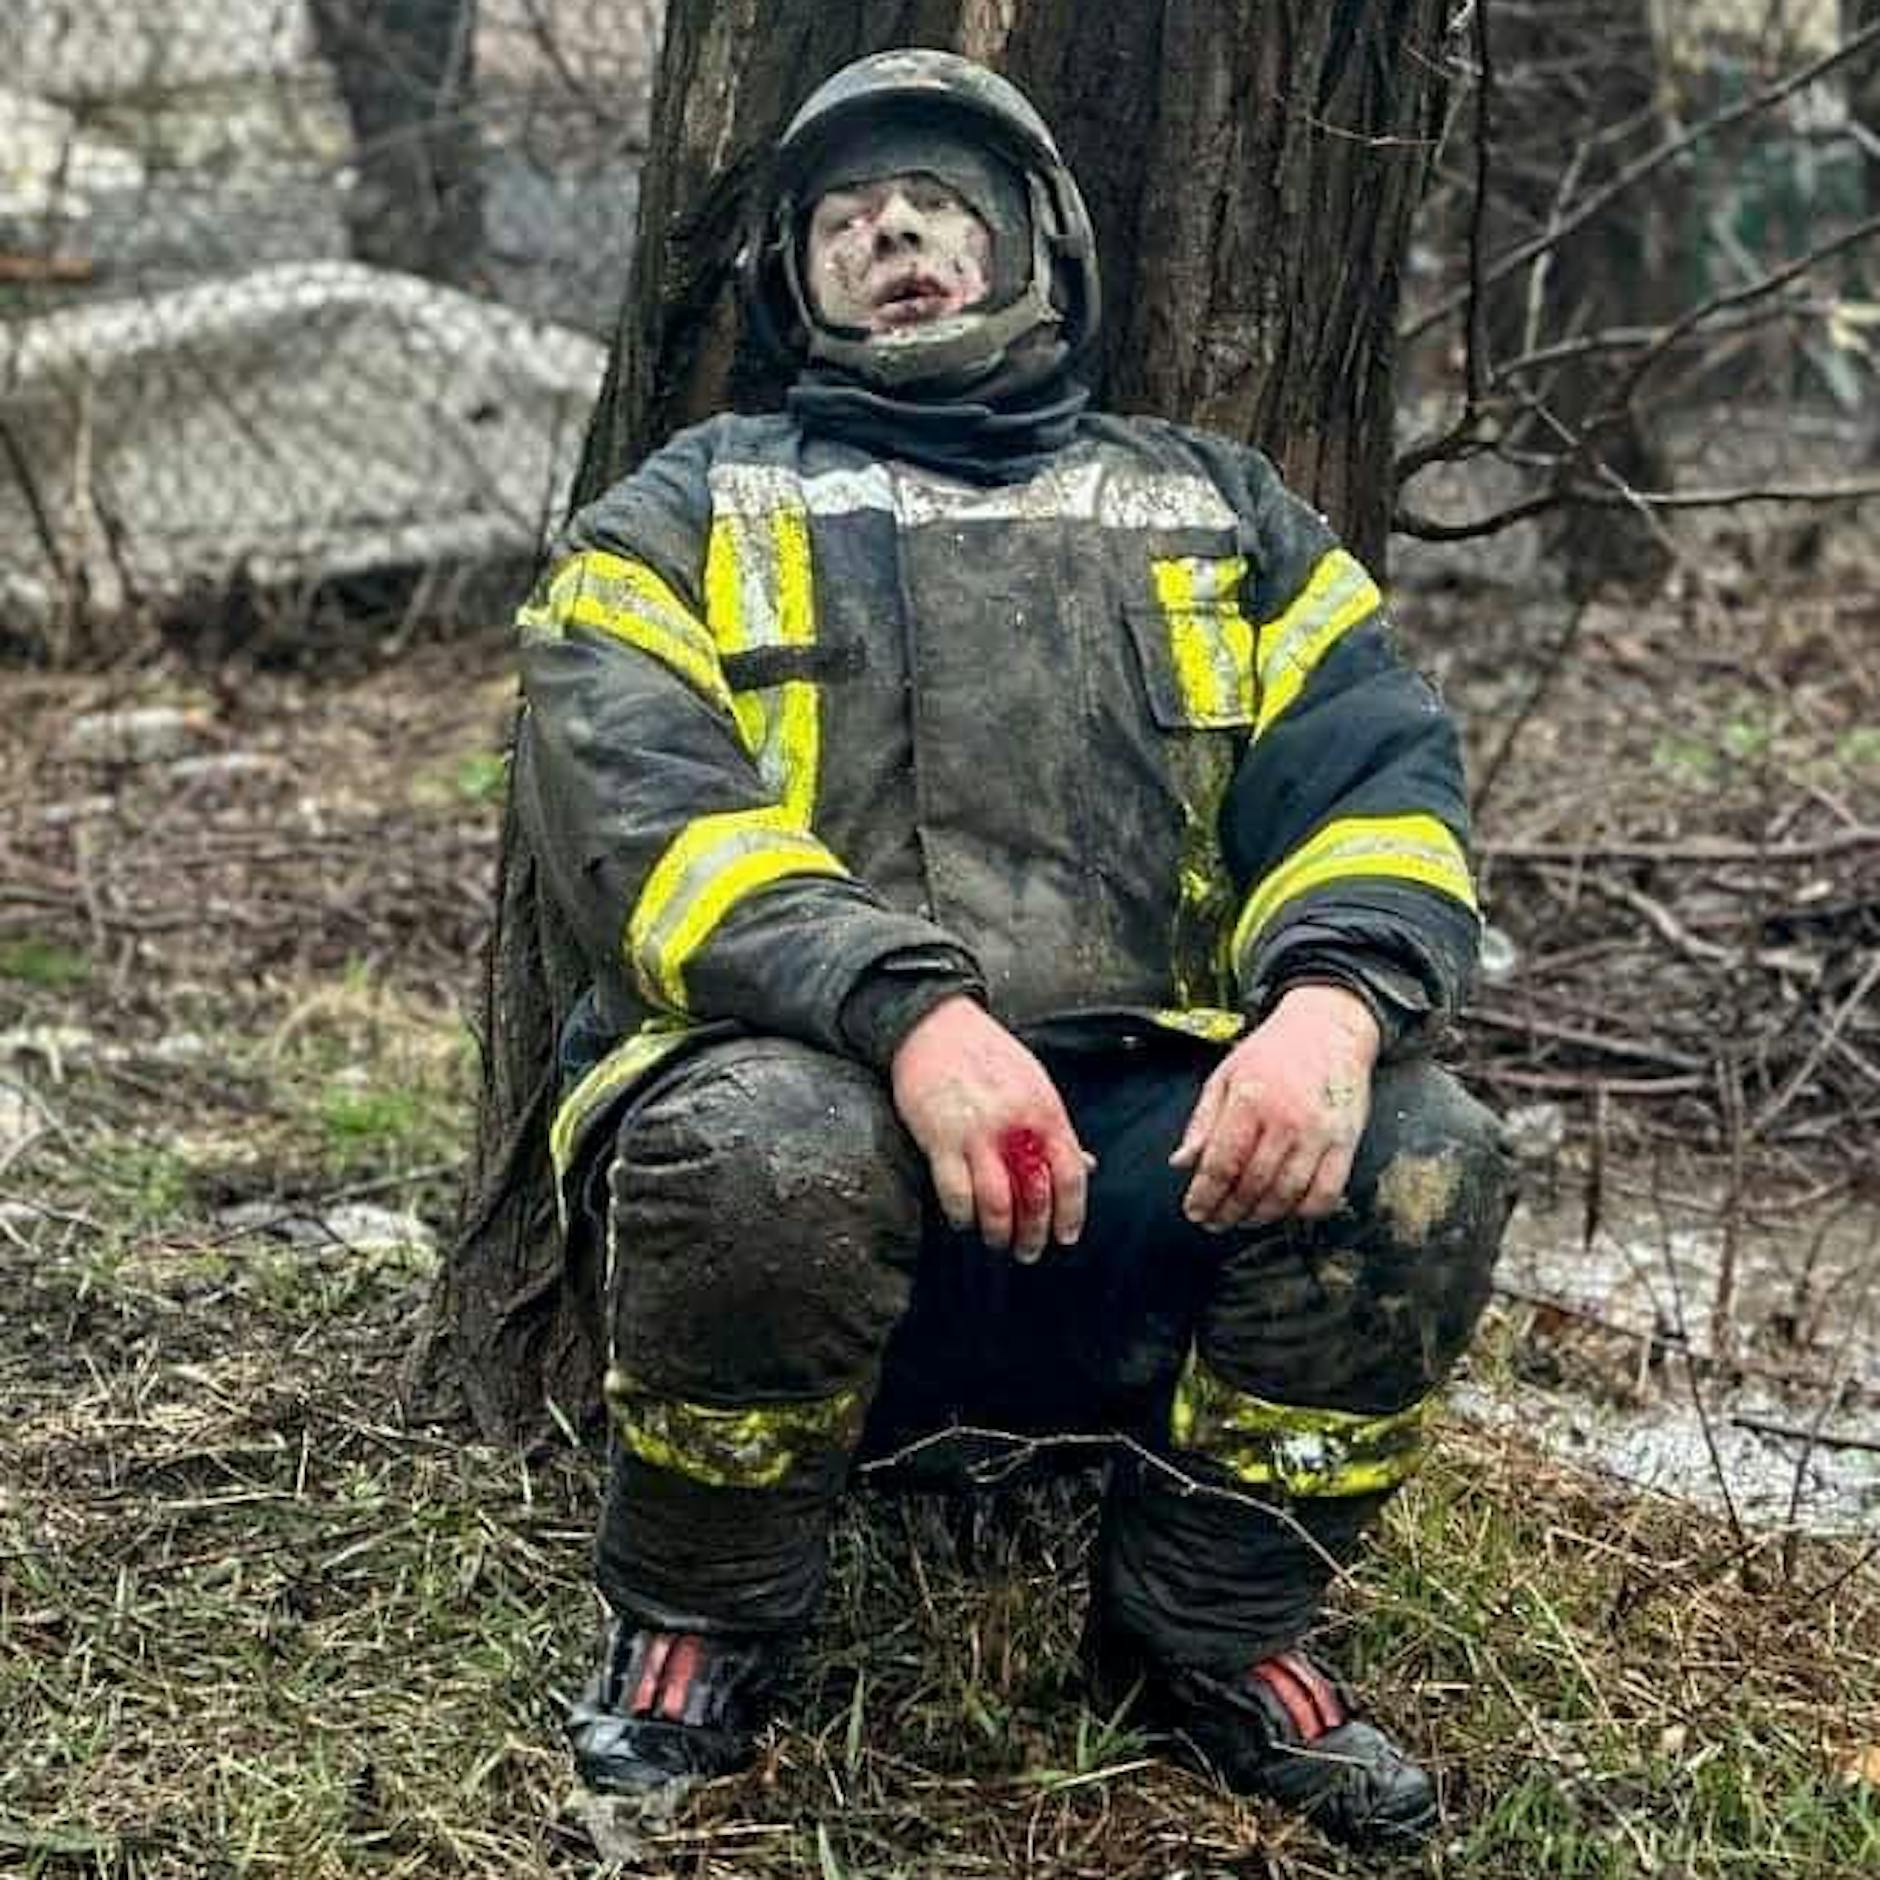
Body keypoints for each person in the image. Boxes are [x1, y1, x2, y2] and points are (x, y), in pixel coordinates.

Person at [514, 48, 1513, 1852]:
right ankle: (703, 1615)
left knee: (1428, 1161)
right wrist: (904, 1013)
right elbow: (635, 819)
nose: (892, 231)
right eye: (843, 218)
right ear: (787, 280)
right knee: (755, 1153)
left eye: (939, 204)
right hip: (819, 1117)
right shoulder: (677, 516)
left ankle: (1210, 1628)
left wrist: (1332, 1010)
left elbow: (1377, 777)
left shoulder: (1221, 509)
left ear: (1036, 242)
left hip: (1158, 1150)